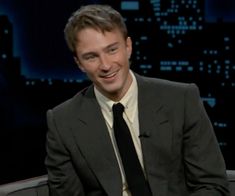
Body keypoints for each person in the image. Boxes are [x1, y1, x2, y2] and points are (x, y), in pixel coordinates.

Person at [45, 4, 230, 196]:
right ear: (79, 63)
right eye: (91, 57)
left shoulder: (181, 100)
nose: (106, 65)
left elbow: (212, 185)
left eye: (112, 50)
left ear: (128, 46)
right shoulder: (63, 122)